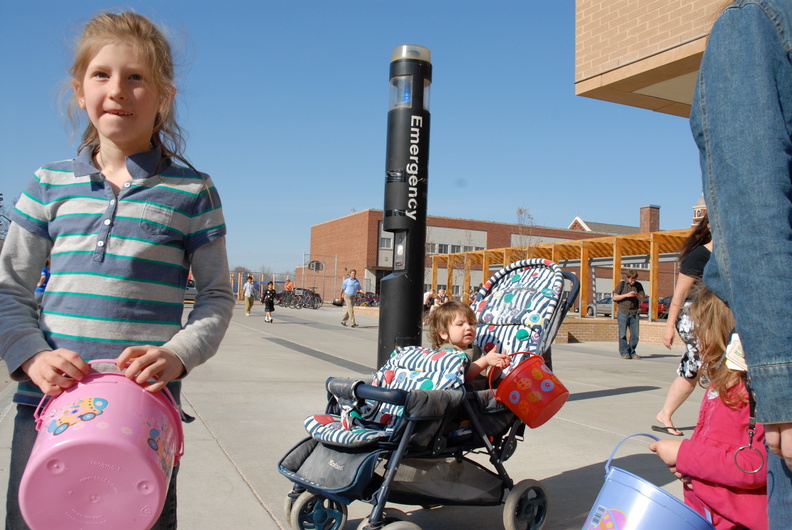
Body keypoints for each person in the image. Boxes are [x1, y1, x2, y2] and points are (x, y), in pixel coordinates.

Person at [0, 12, 235, 528]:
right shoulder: (47, 182)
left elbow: (217, 295)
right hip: (47, 407)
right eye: (102, 75)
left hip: (143, 416)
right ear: (79, 91)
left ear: (164, 96)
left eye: (136, 78)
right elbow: (9, 289)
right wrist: (30, 356)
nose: (118, 90)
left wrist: (178, 355)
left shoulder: (193, 192)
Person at [691, 1, 792, 526]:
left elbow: (754, 212)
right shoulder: (760, 27)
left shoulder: (753, 26)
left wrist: (781, 385)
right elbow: (754, 215)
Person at [650, 286, 767, 530]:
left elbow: (753, 466)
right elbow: (714, 451)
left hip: (738, 522)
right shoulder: (719, 386)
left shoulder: (753, 395)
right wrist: (690, 468)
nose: (694, 340)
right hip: (707, 514)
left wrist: (684, 455)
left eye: (700, 330)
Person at [654, 214, 713, 436]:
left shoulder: (729, 256)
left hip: (716, 317)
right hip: (693, 316)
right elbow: (679, 294)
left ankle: (665, 413)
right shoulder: (699, 256)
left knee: (695, 369)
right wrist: (669, 327)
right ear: (710, 226)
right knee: (707, 365)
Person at [427, 300, 510, 389]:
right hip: (459, 398)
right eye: (460, 324)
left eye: (471, 323)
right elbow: (462, 374)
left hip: (479, 397)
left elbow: (488, 377)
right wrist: (486, 360)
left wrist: (497, 367)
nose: (468, 327)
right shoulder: (447, 352)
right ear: (444, 333)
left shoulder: (477, 350)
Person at [612, 269, 645, 359]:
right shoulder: (622, 284)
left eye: (634, 280)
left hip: (634, 312)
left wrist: (637, 295)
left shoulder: (638, 285)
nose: (633, 281)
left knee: (635, 335)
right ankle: (624, 352)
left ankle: (632, 352)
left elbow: (642, 298)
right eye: (631, 280)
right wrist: (627, 295)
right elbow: (615, 297)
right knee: (622, 334)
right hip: (623, 311)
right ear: (628, 277)